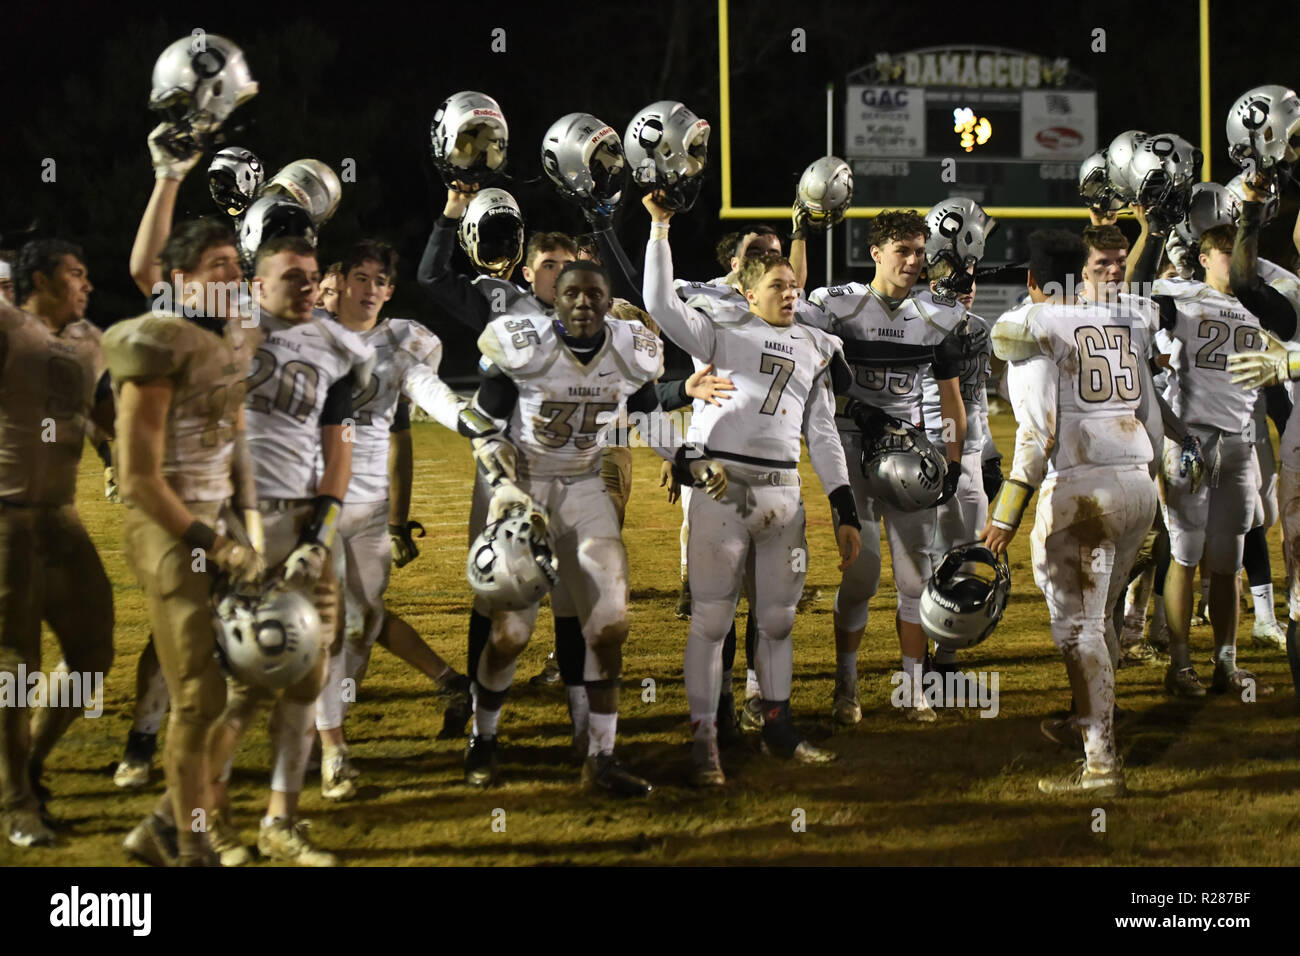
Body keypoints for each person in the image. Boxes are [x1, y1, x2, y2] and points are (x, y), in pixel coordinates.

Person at [460, 260, 704, 795]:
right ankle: (484, 735)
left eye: (595, 293)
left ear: (607, 298)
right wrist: (497, 476)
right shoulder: (528, 344)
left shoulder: (629, 347)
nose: (585, 302)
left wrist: (685, 455)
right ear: (557, 299)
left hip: (586, 487)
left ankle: (602, 755)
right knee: (511, 634)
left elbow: (646, 415)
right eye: (573, 292)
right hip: (528, 489)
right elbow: (478, 418)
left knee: (610, 624)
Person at [643, 193, 861, 785]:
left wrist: (843, 503)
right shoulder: (719, 331)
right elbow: (658, 300)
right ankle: (704, 741)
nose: (790, 293)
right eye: (777, 286)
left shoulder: (819, 346)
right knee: (711, 621)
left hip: (783, 496)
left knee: (778, 620)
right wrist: (660, 225)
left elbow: (822, 434)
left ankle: (779, 728)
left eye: (794, 285)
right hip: (722, 490)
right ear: (747, 292)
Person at [204, 236, 373, 866]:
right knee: (235, 690)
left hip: (304, 528)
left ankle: (281, 818)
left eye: (311, 277)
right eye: (291, 278)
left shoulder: (334, 349)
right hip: (233, 534)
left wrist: (318, 537)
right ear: (255, 284)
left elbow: (339, 450)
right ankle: (207, 822)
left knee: (307, 676)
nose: (306, 288)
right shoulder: (223, 341)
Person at [107, 221, 263, 866]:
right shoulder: (160, 342)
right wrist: (215, 542)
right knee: (198, 695)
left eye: (234, 262)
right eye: (215, 265)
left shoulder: (227, 337)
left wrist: (247, 528)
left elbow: (237, 442)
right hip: (170, 529)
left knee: (265, 667)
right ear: (179, 282)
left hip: (219, 524)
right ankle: (189, 843)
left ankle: (166, 824)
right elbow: (140, 479)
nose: (231, 275)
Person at [985, 229, 1158, 797]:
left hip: (1086, 489)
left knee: (1079, 629)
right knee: (1101, 617)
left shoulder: (1036, 327)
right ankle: (1094, 721)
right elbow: (1149, 413)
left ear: (1033, 280)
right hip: (1137, 480)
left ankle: (1102, 762)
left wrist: (1007, 515)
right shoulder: (1119, 319)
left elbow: (1036, 436)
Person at [315, 239, 469, 798]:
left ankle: (329, 734)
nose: (368, 289)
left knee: (359, 623)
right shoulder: (305, 339)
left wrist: (470, 422)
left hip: (370, 509)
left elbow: (431, 393)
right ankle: (329, 744)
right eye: (359, 278)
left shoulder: (399, 348)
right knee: (324, 626)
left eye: (380, 281)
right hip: (311, 503)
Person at [808, 210, 968, 723]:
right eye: (904, 251)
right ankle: (846, 683)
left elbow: (950, 399)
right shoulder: (838, 307)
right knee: (861, 575)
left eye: (920, 251)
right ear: (876, 253)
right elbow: (812, 378)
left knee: (915, 579)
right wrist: (858, 412)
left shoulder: (935, 316)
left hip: (907, 451)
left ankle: (913, 689)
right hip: (852, 448)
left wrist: (954, 463)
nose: (914, 261)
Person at [0, 240, 115, 847]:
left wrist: (121, 453)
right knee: (15, 661)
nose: (87, 285)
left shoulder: (89, 339)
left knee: (94, 649)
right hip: (6, 516)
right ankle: (15, 801)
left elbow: (104, 413)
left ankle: (30, 765)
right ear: (39, 279)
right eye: (76, 274)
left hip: (61, 518)